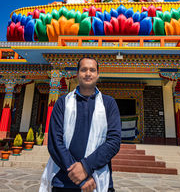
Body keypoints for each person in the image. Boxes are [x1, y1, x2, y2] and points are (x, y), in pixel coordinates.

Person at [39, 57, 121, 192]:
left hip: (97, 180)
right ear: (77, 74)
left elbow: (113, 141)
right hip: (63, 180)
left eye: (92, 70)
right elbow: (55, 142)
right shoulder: (62, 102)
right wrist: (80, 176)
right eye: (83, 70)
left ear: (98, 75)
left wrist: (86, 167)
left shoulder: (109, 103)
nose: (88, 73)